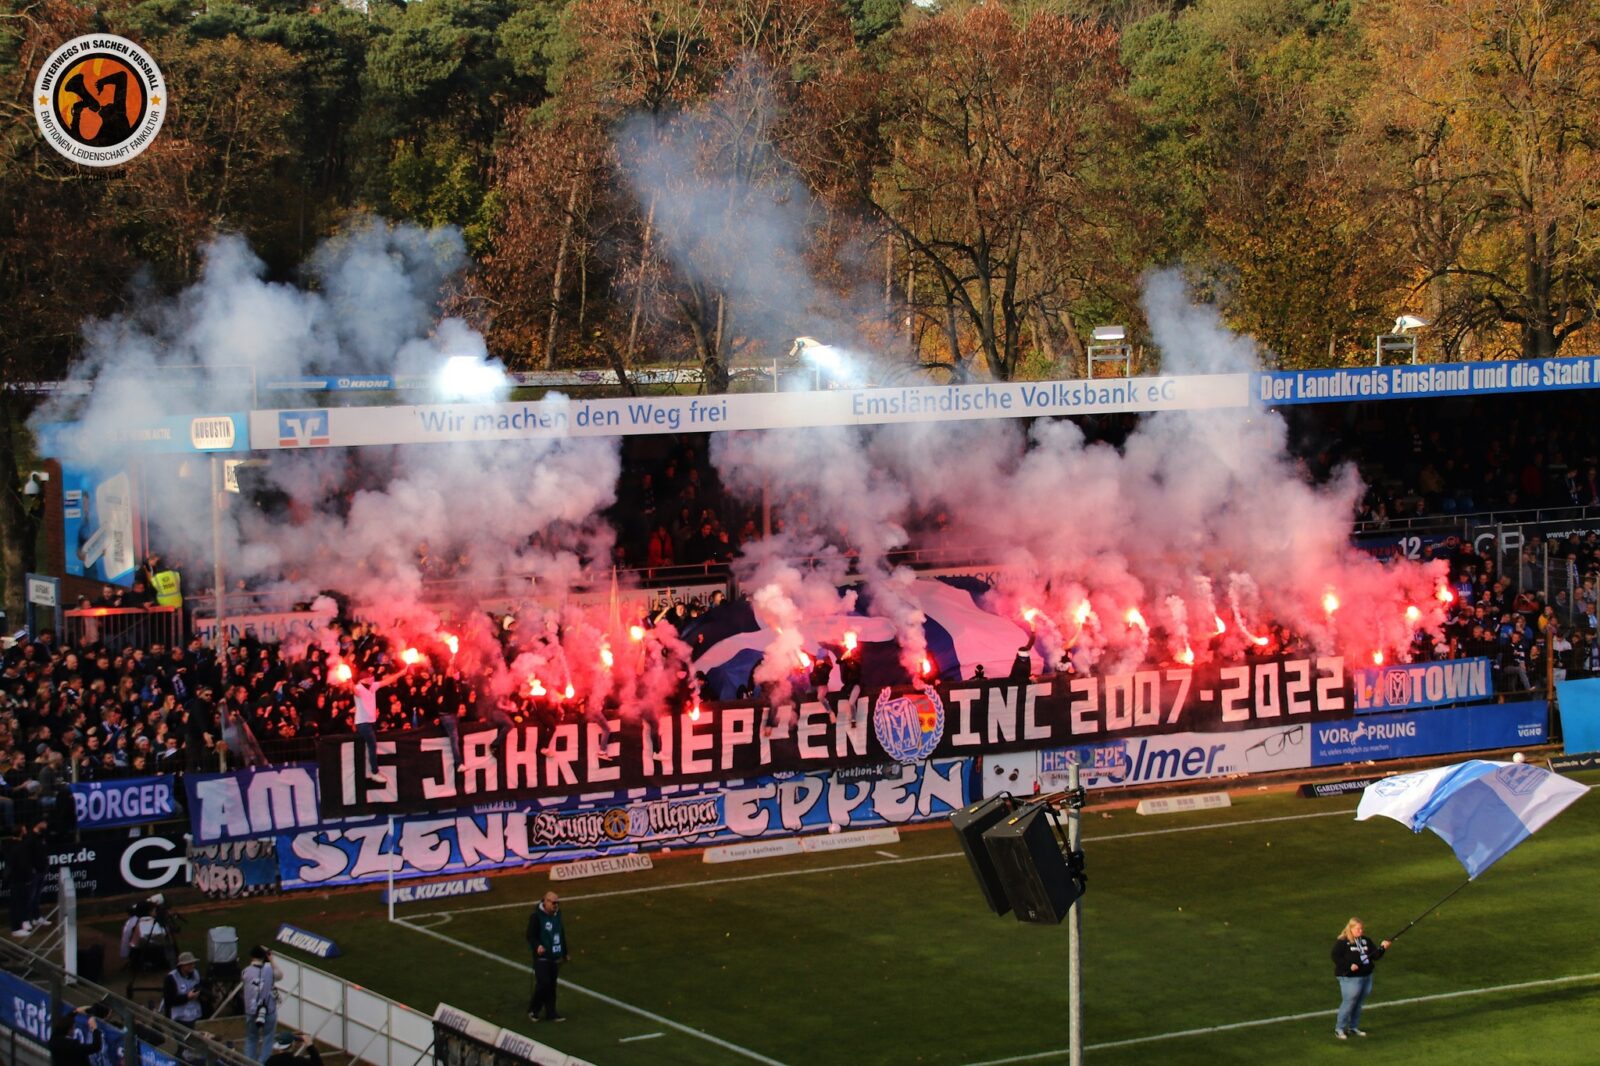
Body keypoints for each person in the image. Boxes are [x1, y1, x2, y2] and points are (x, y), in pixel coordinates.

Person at [1331, 917, 1390, 1039]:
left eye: (1362, 928)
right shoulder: (1343, 942)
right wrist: (1348, 965)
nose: (1360, 931)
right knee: (1349, 1002)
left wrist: (1383, 947)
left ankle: (1353, 1027)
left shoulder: (1365, 940)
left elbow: (1375, 955)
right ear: (1350, 928)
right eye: (1358, 929)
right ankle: (1339, 1029)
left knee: (1358, 1003)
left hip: (1366, 976)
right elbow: (1335, 956)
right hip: (1350, 978)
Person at [525, 891, 569, 1023]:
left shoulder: (557, 915)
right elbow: (530, 935)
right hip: (542, 957)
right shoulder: (536, 916)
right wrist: (537, 946)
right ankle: (533, 1010)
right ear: (545, 901)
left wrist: (565, 952)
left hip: (555, 956)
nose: (556, 905)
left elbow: (560, 933)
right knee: (543, 983)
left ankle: (551, 1012)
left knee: (551, 986)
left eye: (557, 903)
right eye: (553, 902)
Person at [243, 944, 284, 1062]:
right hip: (268, 1010)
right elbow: (280, 975)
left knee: (251, 1038)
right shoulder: (269, 971)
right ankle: (263, 1063)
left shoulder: (246, 971)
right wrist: (271, 961)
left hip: (251, 1011)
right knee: (268, 1039)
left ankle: (248, 1062)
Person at [162, 951, 204, 1027]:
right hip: (179, 1018)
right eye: (189, 964)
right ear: (182, 966)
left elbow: (201, 987)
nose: (192, 966)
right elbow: (169, 1000)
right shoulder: (171, 978)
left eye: (193, 963)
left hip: (195, 1015)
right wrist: (187, 997)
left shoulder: (196, 974)